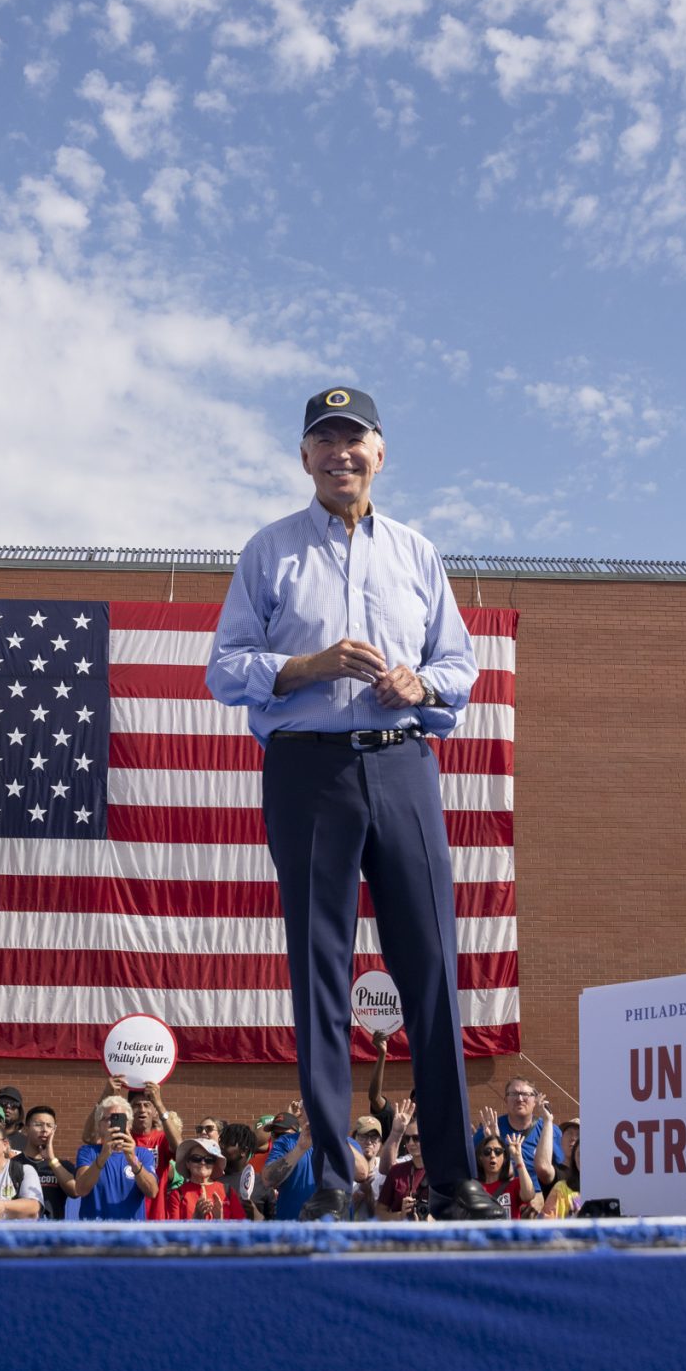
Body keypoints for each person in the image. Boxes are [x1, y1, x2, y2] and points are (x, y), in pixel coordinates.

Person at [206, 385, 498, 1223]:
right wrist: (305, 665)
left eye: (355, 440)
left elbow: (460, 667)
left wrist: (421, 682)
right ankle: (336, 1175)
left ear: (380, 452)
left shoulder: (416, 551)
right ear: (304, 458)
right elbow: (225, 667)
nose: (341, 454)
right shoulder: (270, 552)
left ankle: (452, 1174)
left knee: (433, 969)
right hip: (308, 772)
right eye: (323, 441)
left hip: (403, 764)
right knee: (320, 975)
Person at [69, 1092, 162, 1220]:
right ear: (99, 1125)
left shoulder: (142, 1154)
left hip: (131, 1234)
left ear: (129, 1125)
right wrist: (103, 1156)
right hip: (95, 1235)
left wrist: (132, 1160)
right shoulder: (88, 1152)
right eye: (110, 1119)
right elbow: (80, 1189)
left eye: (121, 1119)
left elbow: (152, 1192)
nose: (115, 1125)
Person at [484, 1080, 562, 1190]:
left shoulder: (550, 1130)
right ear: (506, 1099)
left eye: (525, 1094)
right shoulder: (490, 1128)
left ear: (535, 1100)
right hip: (503, 1198)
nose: (520, 1099)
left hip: (539, 1200)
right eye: (514, 1094)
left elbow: (563, 1171)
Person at [152, 1137, 248, 1220]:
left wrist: (219, 1222)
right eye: (196, 1158)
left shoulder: (227, 1191)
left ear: (214, 1165)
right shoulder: (177, 1194)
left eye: (209, 1160)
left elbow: (241, 1228)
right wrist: (196, 1219)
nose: (202, 1163)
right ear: (187, 1164)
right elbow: (174, 1232)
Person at [20, 1106, 77, 1218]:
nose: (44, 1129)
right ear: (26, 1129)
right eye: (38, 1125)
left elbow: (75, 1191)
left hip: (54, 1232)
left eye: (49, 1125)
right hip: (22, 1232)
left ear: (54, 1130)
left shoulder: (62, 1166)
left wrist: (51, 1160)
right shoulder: (12, 1164)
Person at [376, 1102, 427, 1220]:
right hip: (401, 1235)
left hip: (435, 1236)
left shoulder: (441, 1171)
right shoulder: (397, 1171)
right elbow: (379, 1213)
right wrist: (400, 1215)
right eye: (407, 1138)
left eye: (416, 1138)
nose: (410, 1143)